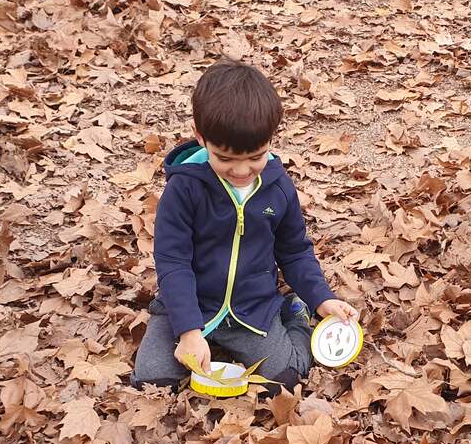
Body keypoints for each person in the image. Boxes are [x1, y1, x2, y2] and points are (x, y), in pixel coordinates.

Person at [130, 58, 358, 392]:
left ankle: (293, 316)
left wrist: (321, 298)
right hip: (187, 306)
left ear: (270, 140)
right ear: (200, 136)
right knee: (153, 379)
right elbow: (173, 262)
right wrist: (189, 331)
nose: (241, 171)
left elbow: (295, 252)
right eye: (225, 158)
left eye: (255, 157)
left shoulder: (278, 188)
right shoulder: (184, 189)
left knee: (284, 378)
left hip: (252, 310)